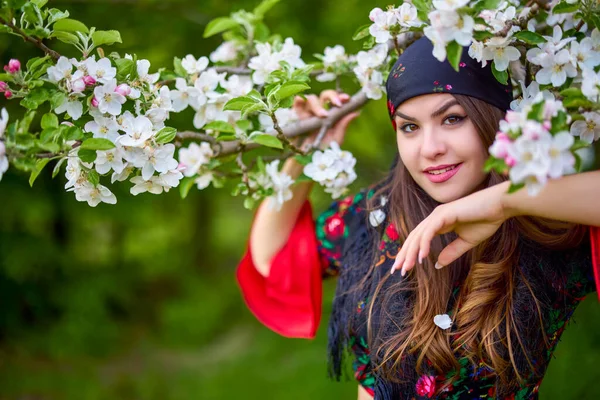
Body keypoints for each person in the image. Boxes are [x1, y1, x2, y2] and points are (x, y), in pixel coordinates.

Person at [236, 37, 600, 399]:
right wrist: (303, 154)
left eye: (453, 119)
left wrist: (504, 202)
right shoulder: (372, 217)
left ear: (496, 120)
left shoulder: (545, 227)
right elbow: (271, 261)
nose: (429, 148)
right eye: (410, 127)